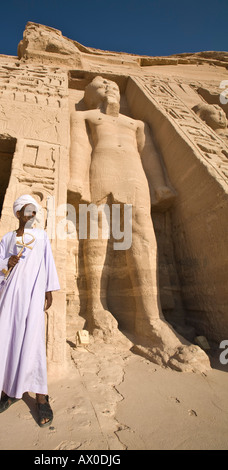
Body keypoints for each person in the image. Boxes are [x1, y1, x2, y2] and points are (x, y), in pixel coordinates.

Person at [68, 76, 210, 371]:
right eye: (102, 85)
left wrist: (160, 185)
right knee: (97, 235)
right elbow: (80, 147)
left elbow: (150, 154)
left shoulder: (136, 124)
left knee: (142, 236)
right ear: (90, 95)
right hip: (101, 171)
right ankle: (95, 308)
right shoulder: (84, 115)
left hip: (135, 178)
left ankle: (150, 319)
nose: (109, 87)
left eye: (112, 84)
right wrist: (76, 180)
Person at [0, 194, 60, 427]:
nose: (32, 215)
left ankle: (41, 396)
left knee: (32, 341)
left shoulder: (42, 237)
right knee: (7, 339)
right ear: (18, 214)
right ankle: (10, 390)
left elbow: (47, 263)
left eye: (34, 211)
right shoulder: (8, 238)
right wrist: (7, 263)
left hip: (33, 295)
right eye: (27, 210)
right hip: (9, 297)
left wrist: (49, 289)